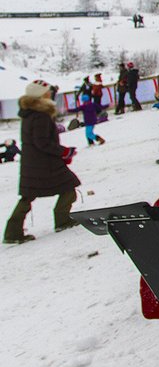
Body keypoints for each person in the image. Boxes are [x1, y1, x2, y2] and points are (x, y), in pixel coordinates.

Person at [4, 80, 81, 244]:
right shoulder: (40, 114)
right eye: (46, 91)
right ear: (40, 95)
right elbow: (42, 142)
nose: (49, 93)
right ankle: (63, 221)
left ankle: (12, 233)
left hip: (33, 163)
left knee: (28, 196)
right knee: (68, 187)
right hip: (44, 163)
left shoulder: (30, 112)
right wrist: (65, 152)